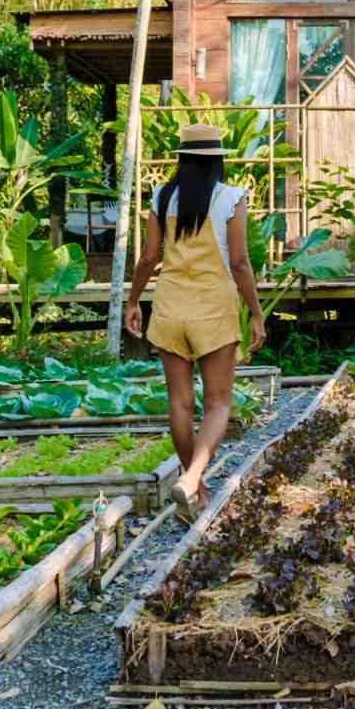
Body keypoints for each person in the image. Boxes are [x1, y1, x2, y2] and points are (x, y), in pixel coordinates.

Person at [122, 123, 266, 524]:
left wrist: (133, 301)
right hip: (213, 308)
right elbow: (239, 263)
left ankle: (193, 487)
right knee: (218, 402)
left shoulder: (162, 197)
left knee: (180, 403)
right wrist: (256, 313)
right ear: (217, 160)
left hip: (170, 306)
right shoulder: (231, 198)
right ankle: (191, 478)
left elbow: (148, 258)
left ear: (182, 159)